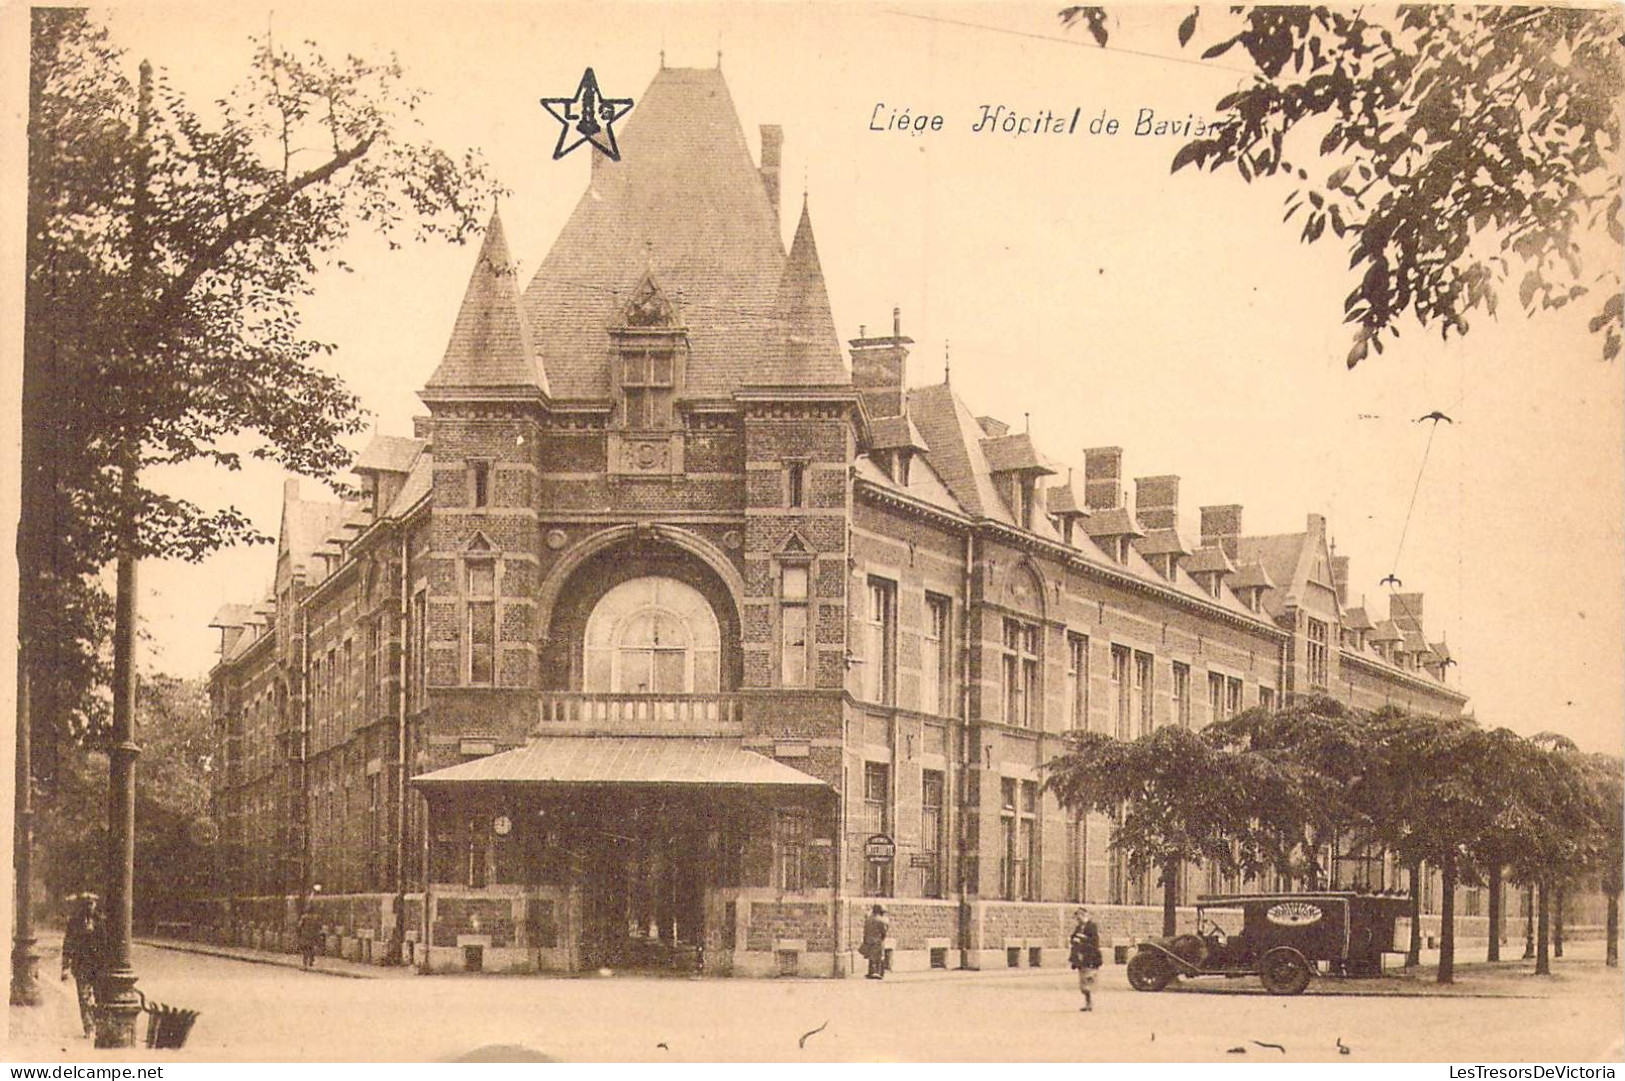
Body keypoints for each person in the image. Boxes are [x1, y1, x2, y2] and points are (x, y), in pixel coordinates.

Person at [61, 893, 108, 1037]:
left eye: (92, 903)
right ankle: (89, 1027)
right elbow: (68, 944)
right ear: (82, 906)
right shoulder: (74, 923)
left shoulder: (101, 922)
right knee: (84, 997)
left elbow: (106, 944)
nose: (90, 906)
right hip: (81, 965)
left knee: (99, 997)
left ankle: (99, 1024)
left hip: (98, 966)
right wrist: (65, 967)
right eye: (87, 904)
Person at [1068, 907, 1103, 1011]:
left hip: (1090, 956)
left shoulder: (1091, 926)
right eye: (1077, 918)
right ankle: (1087, 1002)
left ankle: (1089, 1002)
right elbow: (1073, 937)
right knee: (1083, 980)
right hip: (1080, 957)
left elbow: (1094, 941)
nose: (1078, 919)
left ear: (1084, 916)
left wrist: (1082, 939)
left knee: (1089, 978)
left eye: (1079, 917)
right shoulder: (1079, 927)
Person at [859, 904, 890, 980]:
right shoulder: (881, 920)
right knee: (879, 957)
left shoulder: (869, 919)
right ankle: (878, 972)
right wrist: (882, 938)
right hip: (877, 940)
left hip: (869, 940)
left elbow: (865, 930)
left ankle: (871, 972)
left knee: (871, 957)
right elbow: (884, 931)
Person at [297, 887, 323, 969]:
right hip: (313, 935)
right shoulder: (316, 917)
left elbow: (299, 926)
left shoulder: (304, 917)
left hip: (305, 935)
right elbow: (319, 926)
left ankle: (305, 964)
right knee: (311, 948)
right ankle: (311, 961)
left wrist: (299, 932)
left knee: (305, 950)